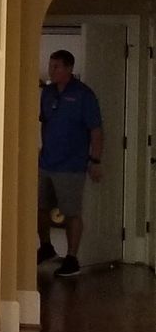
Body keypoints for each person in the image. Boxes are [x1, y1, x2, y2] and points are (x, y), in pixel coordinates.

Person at [37, 49, 104, 277]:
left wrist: (95, 160)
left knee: (71, 212)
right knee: (40, 207)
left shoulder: (84, 95)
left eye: (56, 66)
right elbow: (44, 122)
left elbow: (96, 130)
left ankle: (72, 257)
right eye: (50, 65)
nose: (51, 70)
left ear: (69, 68)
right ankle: (46, 247)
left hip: (71, 165)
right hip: (46, 162)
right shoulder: (47, 93)